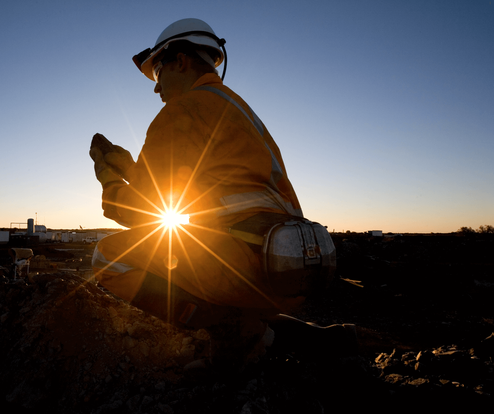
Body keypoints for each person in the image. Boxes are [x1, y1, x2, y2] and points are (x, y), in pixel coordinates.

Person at [89, 18, 354, 375]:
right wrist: (132, 168)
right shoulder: (235, 107)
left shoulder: (179, 111)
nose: (156, 89)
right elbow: (194, 187)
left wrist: (107, 180)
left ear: (180, 60)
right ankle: (287, 336)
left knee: (108, 258)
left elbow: (138, 210)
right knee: (208, 253)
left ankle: (231, 337)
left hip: (245, 265)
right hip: (291, 268)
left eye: (157, 73)